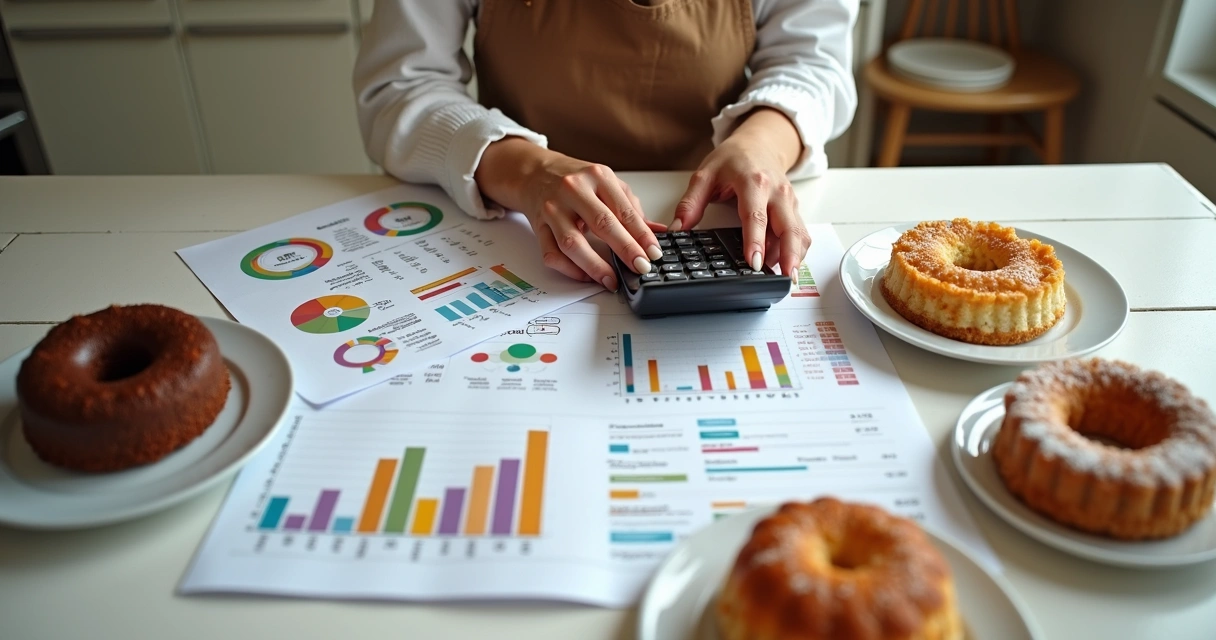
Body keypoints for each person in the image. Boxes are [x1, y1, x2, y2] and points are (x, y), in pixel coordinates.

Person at [354, 0, 857, 292]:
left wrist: (763, 143)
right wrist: (526, 171)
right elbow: (400, 86)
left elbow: (811, 62)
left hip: (715, 214)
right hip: (518, 223)